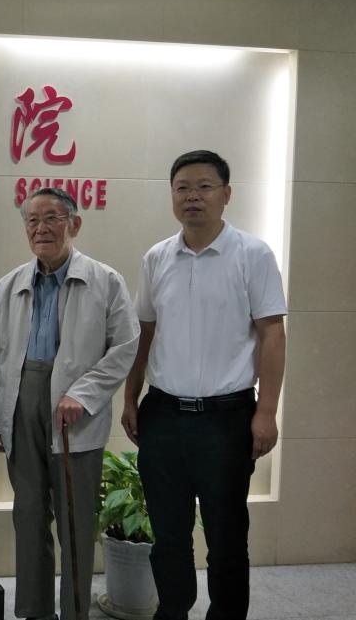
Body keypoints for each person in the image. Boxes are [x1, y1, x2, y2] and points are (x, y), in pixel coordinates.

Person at [123, 150, 286, 620]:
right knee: (169, 536)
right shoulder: (157, 257)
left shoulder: (252, 254)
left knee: (227, 537)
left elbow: (272, 333)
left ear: (226, 194)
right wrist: (130, 397)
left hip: (227, 418)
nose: (192, 196)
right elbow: (145, 333)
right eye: (182, 188)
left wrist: (266, 411)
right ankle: (172, 611)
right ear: (172, 195)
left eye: (204, 187)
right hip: (163, 415)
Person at [0, 187, 139, 620]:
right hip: (21, 406)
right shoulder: (8, 286)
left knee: (75, 519)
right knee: (29, 513)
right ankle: (35, 611)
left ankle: (73, 612)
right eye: (32, 220)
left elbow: (125, 346)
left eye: (52, 218)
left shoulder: (105, 281)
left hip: (74, 412)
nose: (41, 228)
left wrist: (83, 395)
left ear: (75, 223)